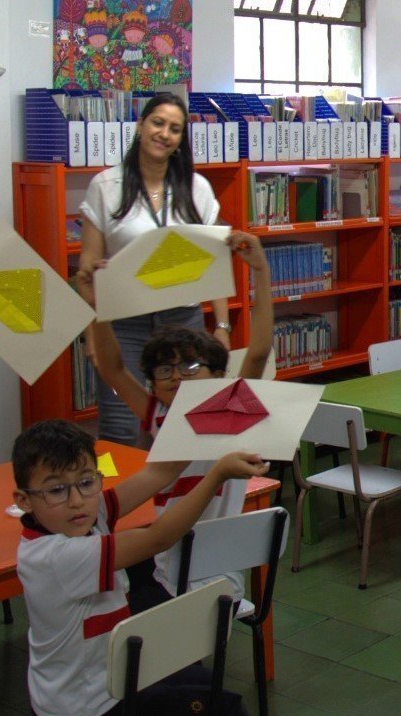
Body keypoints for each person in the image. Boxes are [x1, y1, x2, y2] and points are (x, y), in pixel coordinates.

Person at [13, 420, 265, 716]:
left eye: (87, 482)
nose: (76, 500)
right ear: (24, 500)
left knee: (208, 685)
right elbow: (157, 537)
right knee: (223, 713)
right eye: (56, 490)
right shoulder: (54, 556)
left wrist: (205, 426)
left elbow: (158, 474)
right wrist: (216, 475)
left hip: (95, 686)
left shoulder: (83, 515)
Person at [73, 232, 273, 612]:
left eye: (190, 366)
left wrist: (259, 270)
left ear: (219, 374)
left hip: (216, 566)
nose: (176, 376)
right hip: (169, 558)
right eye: (164, 369)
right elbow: (112, 367)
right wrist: (97, 306)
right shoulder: (159, 416)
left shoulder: (230, 408)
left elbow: (260, 349)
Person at [78, 92, 233, 446]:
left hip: (183, 321)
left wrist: (221, 326)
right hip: (123, 323)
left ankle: (177, 498)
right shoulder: (106, 186)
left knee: (184, 420)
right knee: (122, 426)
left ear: (180, 140)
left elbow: (214, 262)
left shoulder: (198, 189)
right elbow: (88, 270)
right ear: (141, 126)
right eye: (158, 123)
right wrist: (92, 333)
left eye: (175, 129)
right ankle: (126, 500)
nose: (164, 134)